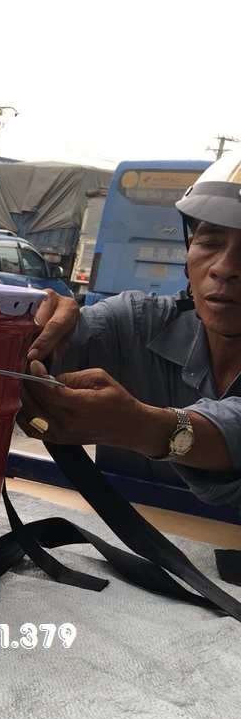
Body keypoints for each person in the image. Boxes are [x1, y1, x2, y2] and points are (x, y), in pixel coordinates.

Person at [18, 153, 241, 507]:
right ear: (188, 249)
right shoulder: (138, 325)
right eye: (210, 242)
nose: (225, 268)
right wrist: (25, 327)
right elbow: (15, 359)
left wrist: (141, 426)